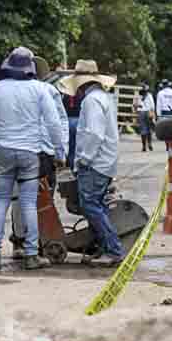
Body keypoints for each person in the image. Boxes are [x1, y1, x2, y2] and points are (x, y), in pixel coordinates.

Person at [0, 47, 64, 271]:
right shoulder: (39, 89)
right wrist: (59, 151)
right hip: (29, 155)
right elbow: (54, 123)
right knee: (27, 204)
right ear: (30, 68)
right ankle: (31, 255)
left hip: (3, 153)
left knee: (0, 202)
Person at [57, 59, 123, 267]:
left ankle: (114, 250)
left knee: (91, 205)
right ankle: (102, 247)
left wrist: (83, 159)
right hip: (105, 161)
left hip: (95, 162)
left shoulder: (91, 101)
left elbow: (94, 134)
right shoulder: (104, 97)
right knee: (97, 205)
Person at [9, 56, 69, 260]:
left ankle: (24, 242)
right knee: (41, 199)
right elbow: (59, 123)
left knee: (21, 198)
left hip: (20, 152)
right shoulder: (48, 91)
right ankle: (33, 243)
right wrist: (61, 153)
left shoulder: (8, 92)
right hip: (41, 153)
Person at [133, 83, 155, 151]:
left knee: (143, 130)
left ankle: (144, 146)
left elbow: (134, 106)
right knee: (149, 129)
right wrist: (153, 114)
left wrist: (137, 109)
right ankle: (150, 144)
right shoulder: (149, 95)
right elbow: (152, 106)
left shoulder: (137, 96)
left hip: (141, 113)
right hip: (148, 112)